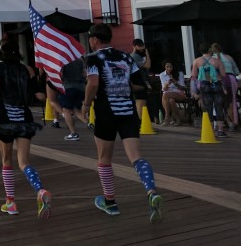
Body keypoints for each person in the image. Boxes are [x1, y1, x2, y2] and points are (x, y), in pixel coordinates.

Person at [82, 23, 164, 222]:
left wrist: (86, 104)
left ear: (94, 40)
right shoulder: (126, 57)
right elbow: (139, 83)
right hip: (128, 111)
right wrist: (123, 85)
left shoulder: (92, 58)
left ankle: (110, 202)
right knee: (136, 157)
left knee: (104, 158)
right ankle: (151, 190)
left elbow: (93, 82)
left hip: (105, 112)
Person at [0, 45, 51, 219]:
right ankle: (40, 190)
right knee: (24, 162)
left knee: (6, 161)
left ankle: (10, 202)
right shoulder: (28, 69)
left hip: (4, 118)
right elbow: (39, 95)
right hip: (24, 117)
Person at [190, 43, 228, 138]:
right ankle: (220, 130)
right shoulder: (217, 61)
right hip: (216, 84)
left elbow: (194, 75)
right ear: (209, 50)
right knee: (219, 107)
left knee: (208, 107)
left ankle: (209, 130)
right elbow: (223, 74)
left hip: (204, 85)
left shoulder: (197, 61)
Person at [58, 55, 87, 141]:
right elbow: (84, 73)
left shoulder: (63, 60)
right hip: (81, 87)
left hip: (68, 86)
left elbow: (61, 74)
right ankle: (89, 123)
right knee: (76, 110)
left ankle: (73, 133)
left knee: (66, 110)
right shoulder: (80, 59)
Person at [211, 43, 238, 130]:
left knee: (218, 102)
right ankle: (233, 123)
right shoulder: (229, 57)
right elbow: (237, 72)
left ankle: (219, 124)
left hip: (220, 79)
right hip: (232, 79)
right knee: (231, 101)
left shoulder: (212, 59)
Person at [130, 38, 153, 126]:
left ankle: (141, 122)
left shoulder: (138, 56)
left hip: (140, 80)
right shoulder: (135, 56)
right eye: (140, 46)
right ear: (135, 47)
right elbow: (147, 65)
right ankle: (139, 122)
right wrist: (147, 54)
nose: (142, 48)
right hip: (137, 80)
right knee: (140, 102)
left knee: (142, 102)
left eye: (143, 46)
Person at [158, 60, 187, 126]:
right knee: (171, 100)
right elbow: (164, 89)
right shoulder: (162, 74)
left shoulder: (179, 73)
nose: (168, 68)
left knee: (165, 94)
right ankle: (178, 119)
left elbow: (183, 88)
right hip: (168, 94)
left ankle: (167, 117)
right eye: (167, 67)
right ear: (165, 67)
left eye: (170, 67)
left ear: (173, 67)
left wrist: (174, 82)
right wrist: (167, 84)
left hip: (179, 93)